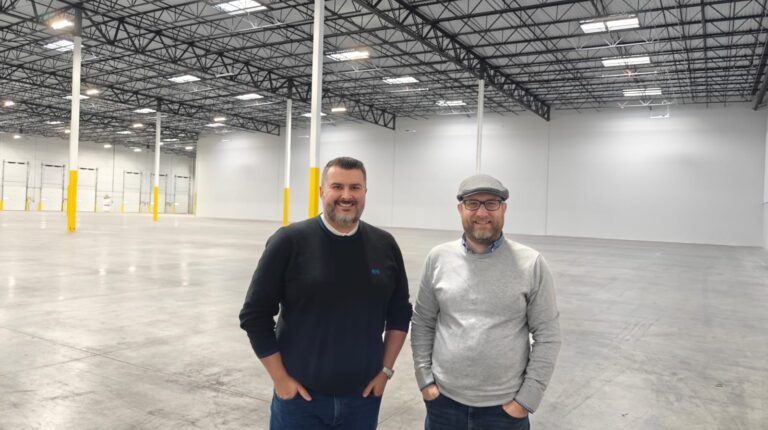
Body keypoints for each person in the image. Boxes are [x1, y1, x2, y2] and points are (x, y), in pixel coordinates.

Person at [239, 156, 412, 429]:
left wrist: (386, 371)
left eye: (355, 187)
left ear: (365, 192)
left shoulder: (385, 244)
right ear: (322, 191)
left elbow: (400, 312)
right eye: (337, 187)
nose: (346, 196)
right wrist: (280, 380)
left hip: (363, 400)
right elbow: (254, 316)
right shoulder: (289, 241)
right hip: (300, 401)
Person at [411, 174, 561, 430]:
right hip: (444, 405)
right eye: (472, 203)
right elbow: (423, 321)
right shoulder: (438, 258)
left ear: (504, 208)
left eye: (491, 203)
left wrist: (525, 401)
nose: (482, 212)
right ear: (460, 209)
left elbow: (547, 335)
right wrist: (425, 381)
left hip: (504, 411)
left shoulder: (531, 263)